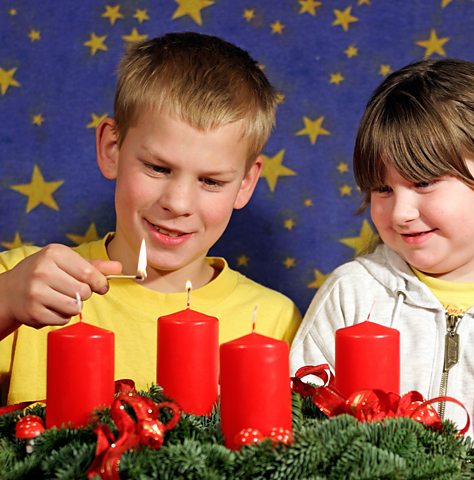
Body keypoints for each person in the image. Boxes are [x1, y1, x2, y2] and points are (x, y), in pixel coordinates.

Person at [0, 32, 301, 406]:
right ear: (112, 149)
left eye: (211, 181)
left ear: (245, 183)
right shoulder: (24, 280)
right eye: (158, 168)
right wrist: (6, 301)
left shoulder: (274, 323)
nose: (178, 203)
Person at [290, 58, 474, 442]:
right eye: (382, 189)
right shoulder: (352, 294)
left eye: (424, 182)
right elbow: (299, 427)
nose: (401, 213)